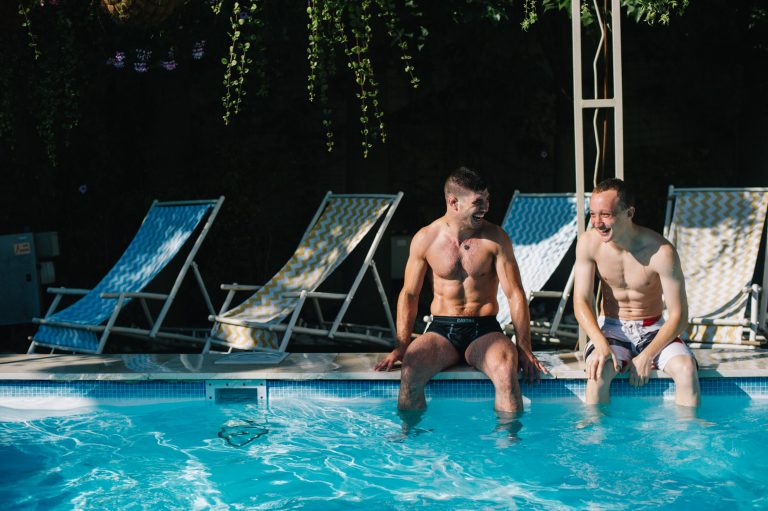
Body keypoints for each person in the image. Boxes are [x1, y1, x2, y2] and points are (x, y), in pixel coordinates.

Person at [375, 167, 547, 414]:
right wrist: (402, 345)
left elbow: (515, 294)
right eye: (478, 202)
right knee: (410, 370)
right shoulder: (426, 238)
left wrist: (524, 347)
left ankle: (510, 437)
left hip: (484, 330)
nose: (486, 207)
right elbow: (409, 294)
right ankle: (410, 435)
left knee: (506, 374)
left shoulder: (496, 238)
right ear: (453, 202)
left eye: (487, 199)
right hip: (442, 329)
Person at [573, 178, 700, 407]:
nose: (597, 223)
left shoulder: (660, 251)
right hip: (612, 327)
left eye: (606, 215)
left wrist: (647, 355)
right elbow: (581, 300)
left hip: (653, 329)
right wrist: (599, 342)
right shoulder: (588, 243)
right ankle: (596, 431)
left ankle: (687, 430)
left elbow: (679, 315)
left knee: (686, 370)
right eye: (592, 214)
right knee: (598, 375)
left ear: (629, 213)